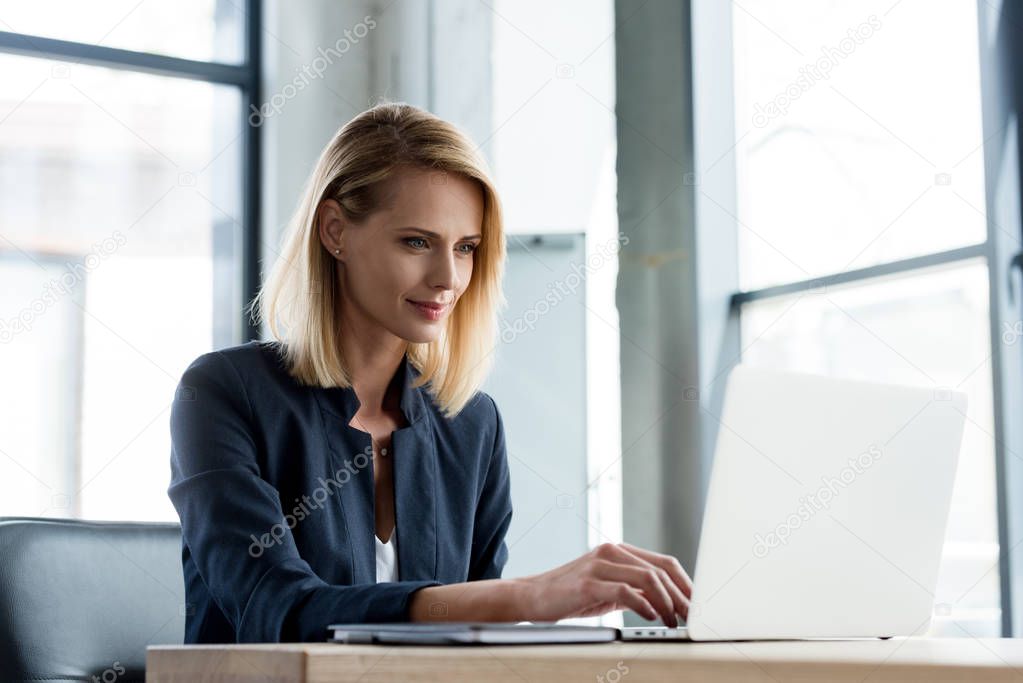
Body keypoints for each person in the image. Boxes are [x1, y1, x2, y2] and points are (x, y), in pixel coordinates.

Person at [168, 101, 691, 643]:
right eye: (417, 242)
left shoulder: (473, 424)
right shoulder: (223, 393)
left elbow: (471, 644)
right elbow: (276, 608)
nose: (447, 277)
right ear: (334, 232)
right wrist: (529, 597)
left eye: (466, 248)